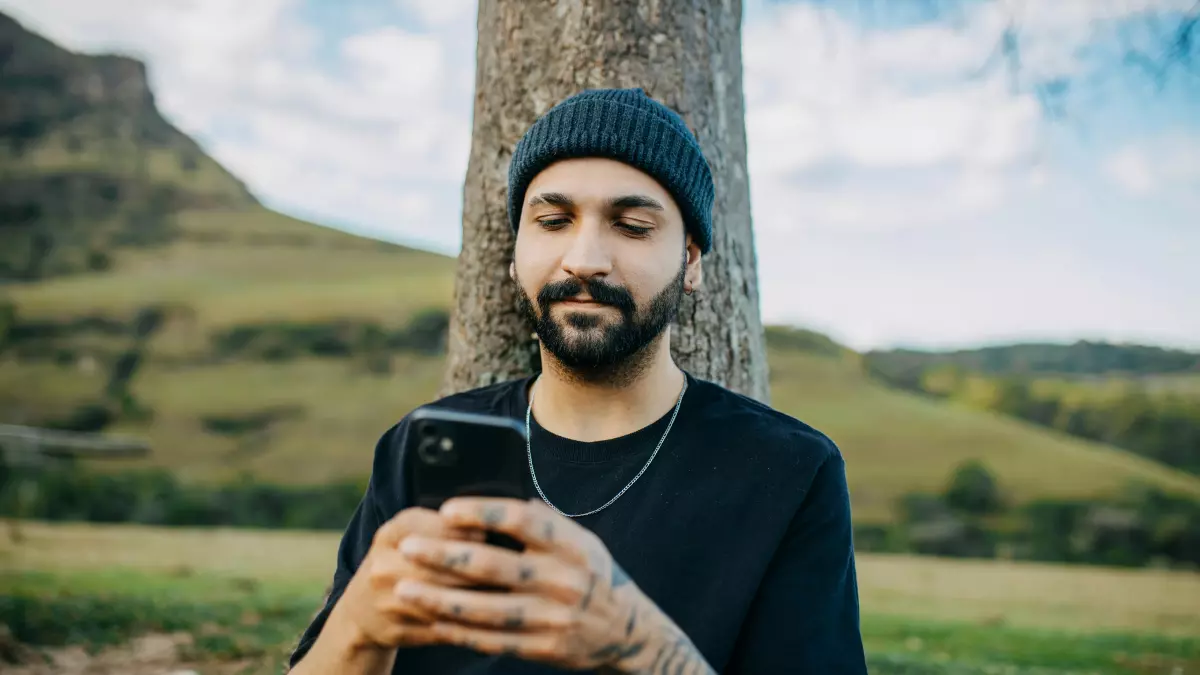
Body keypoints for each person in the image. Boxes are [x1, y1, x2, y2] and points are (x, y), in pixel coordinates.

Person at [287, 87, 868, 674]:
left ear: (690, 261)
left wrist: (645, 649)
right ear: (516, 253)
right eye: (553, 221)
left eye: (632, 225)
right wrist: (360, 626)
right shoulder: (420, 446)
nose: (585, 258)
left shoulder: (790, 470)